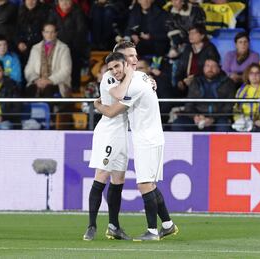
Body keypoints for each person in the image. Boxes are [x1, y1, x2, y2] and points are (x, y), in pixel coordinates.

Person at [94, 52, 178, 241]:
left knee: (144, 184)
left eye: (118, 66)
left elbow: (112, 111)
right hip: (147, 137)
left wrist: (97, 105)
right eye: (111, 68)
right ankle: (168, 224)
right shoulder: (140, 77)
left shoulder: (135, 85)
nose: (115, 71)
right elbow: (141, 79)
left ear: (125, 64)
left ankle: (152, 231)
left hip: (147, 138)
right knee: (150, 184)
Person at [83, 41, 140, 241]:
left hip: (123, 132)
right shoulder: (109, 77)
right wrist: (132, 76)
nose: (129, 60)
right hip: (108, 131)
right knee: (102, 174)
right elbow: (119, 96)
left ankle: (114, 226)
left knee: (119, 179)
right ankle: (91, 225)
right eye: (125, 57)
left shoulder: (130, 76)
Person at [171, 58, 236, 132]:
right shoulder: (196, 82)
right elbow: (189, 105)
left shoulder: (228, 83)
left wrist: (213, 119)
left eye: (213, 66)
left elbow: (229, 107)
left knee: (224, 127)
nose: (210, 69)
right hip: (198, 118)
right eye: (207, 66)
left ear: (219, 68)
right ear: (203, 68)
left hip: (218, 119)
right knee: (178, 124)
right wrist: (195, 116)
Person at [24, 22, 72, 98]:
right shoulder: (35, 48)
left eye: (52, 32)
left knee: (48, 91)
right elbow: (28, 69)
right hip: (38, 82)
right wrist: (36, 80)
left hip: (56, 83)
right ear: (43, 33)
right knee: (30, 91)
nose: (49, 35)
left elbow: (66, 70)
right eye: (47, 32)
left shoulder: (63, 48)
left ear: (56, 33)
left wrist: (49, 80)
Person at [174, 23, 220, 97]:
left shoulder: (210, 49)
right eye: (189, 33)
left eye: (193, 33)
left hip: (203, 82)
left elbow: (211, 70)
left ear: (202, 35)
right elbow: (180, 67)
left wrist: (194, 79)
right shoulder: (188, 49)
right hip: (186, 82)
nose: (190, 36)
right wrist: (179, 81)